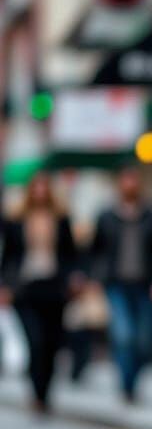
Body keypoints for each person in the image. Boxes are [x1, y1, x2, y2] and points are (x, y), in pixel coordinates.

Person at [89, 166, 152, 402]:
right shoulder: (106, 216)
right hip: (116, 284)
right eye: (126, 180)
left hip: (146, 285)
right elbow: (95, 251)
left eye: (134, 180)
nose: (130, 185)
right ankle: (126, 385)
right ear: (120, 184)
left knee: (144, 339)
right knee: (124, 334)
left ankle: (133, 380)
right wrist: (95, 278)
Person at [0, 173, 80, 413]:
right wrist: (4, 285)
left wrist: (74, 278)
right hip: (25, 289)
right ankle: (36, 392)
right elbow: (9, 257)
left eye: (45, 187)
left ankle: (45, 393)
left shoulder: (61, 219)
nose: (41, 192)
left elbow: (71, 254)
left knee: (53, 343)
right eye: (37, 187)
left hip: (54, 289)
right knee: (35, 341)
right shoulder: (16, 220)